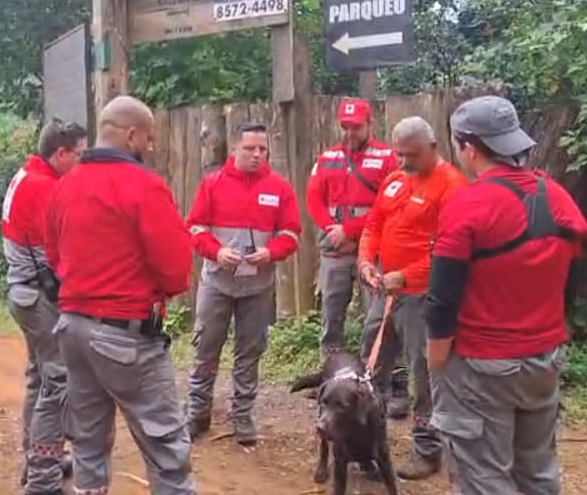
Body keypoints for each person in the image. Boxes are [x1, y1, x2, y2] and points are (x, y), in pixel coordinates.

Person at [427, 96, 587, 495]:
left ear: (469, 147)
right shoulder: (557, 196)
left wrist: (436, 357)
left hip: (480, 365)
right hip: (543, 361)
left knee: (484, 477)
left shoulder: (468, 205)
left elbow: (443, 295)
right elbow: (572, 275)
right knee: (537, 473)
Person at [45, 95, 196, 495]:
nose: (150, 146)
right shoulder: (144, 186)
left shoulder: (65, 185)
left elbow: (54, 256)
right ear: (131, 135)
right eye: (148, 137)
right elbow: (175, 269)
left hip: (72, 329)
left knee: (88, 441)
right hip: (126, 336)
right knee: (166, 447)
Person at [357, 116, 467, 480]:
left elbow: (450, 250)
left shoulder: (452, 186)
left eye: (412, 155)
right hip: (385, 291)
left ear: (433, 147)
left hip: (423, 296)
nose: (403, 162)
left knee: (424, 370)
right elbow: (373, 225)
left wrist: (407, 275)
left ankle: (428, 449)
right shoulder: (393, 180)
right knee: (372, 364)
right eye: (399, 154)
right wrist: (366, 262)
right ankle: (367, 442)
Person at [184, 122, 302, 447]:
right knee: (206, 348)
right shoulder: (213, 184)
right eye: (250, 148)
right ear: (235, 148)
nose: (257, 154)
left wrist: (271, 252)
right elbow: (194, 228)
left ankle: (243, 415)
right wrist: (217, 251)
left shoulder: (279, 188)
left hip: (258, 287)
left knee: (250, 352)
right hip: (216, 283)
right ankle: (197, 412)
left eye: (263, 149)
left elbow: (292, 233)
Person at [305, 97, 408, 417]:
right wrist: (331, 229)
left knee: (382, 321)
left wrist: (350, 230)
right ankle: (332, 380)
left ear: (370, 124)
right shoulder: (327, 158)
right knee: (331, 315)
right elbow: (313, 199)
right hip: (334, 248)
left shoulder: (388, 158)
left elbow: (391, 203)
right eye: (345, 126)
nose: (350, 133)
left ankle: (390, 385)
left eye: (356, 127)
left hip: (374, 251)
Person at [1, 119, 88, 495]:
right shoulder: (43, 186)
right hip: (38, 296)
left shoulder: (28, 174)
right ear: (61, 153)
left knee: (41, 379)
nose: (82, 161)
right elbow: (58, 251)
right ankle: (43, 477)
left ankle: (36, 457)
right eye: (79, 155)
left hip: (24, 293)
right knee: (58, 383)